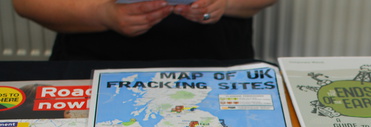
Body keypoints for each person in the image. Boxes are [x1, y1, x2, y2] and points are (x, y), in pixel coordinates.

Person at [12, 0, 277, 61]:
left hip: (216, 62)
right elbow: (25, 3)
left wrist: (226, 2)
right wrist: (102, 14)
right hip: (94, 62)